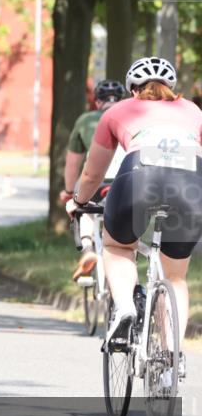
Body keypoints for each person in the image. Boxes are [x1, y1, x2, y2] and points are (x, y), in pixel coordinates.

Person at [68, 56, 202, 347]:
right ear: (171, 86)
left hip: (138, 179)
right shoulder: (193, 110)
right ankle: (172, 355)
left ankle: (125, 307)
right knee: (176, 277)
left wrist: (78, 201)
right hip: (191, 186)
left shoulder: (119, 111)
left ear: (132, 89)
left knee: (117, 247)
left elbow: (92, 174)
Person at [60, 79, 126, 282]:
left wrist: (70, 191)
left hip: (97, 179)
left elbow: (72, 163)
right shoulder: (132, 117)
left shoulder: (86, 120)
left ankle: (87, 247)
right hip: (127, 178)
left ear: (97, 102)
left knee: (84, 207)